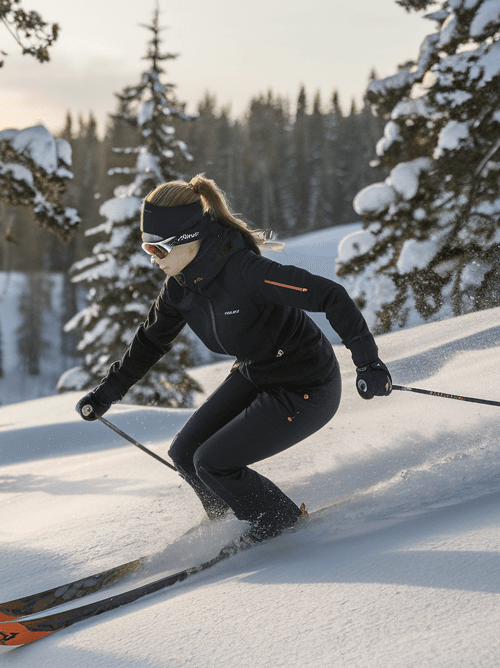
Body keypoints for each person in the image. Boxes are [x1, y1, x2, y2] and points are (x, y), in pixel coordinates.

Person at [76, 174, 392, 543]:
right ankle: (231, 524)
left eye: (158, 249)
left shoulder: (245, 271)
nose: (153, 259)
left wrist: (368, 362)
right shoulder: (180, 286)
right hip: (256, 371)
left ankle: (279, 524)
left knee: (213, 463)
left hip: (307, 384)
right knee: (185, 453)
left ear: (187, 238)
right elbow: (149, 343)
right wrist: (105, 395)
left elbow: (330, 296)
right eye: (147, 249)